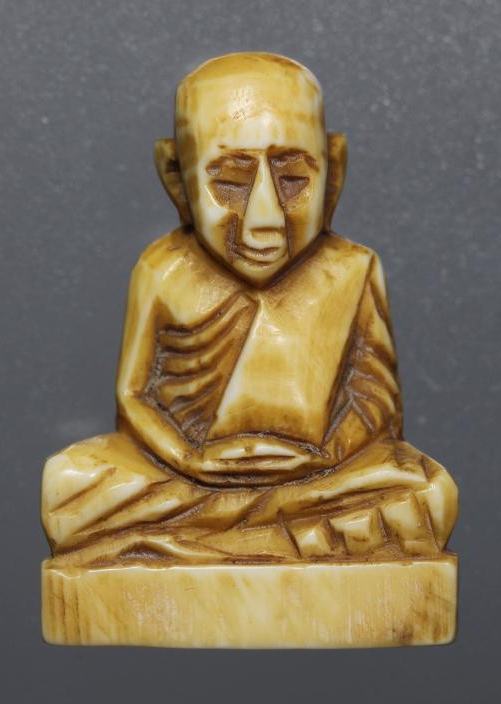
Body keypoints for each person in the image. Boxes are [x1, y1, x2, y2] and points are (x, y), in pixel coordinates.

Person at [42, 53, 457, 566]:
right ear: (176, 177)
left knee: (427, 489)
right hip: (187, 478)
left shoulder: (351, 270)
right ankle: (280, 537)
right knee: (70, 484)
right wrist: (192, 460)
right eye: (231, 184)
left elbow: (377, 400)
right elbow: (134, 397)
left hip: (321, 476)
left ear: (335, 167)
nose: (266, 219)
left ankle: (230, 538)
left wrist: (326, 456)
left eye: (293, 180)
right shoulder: (162, 271)